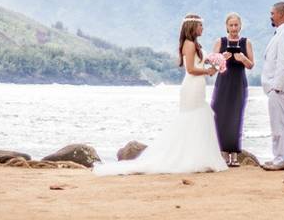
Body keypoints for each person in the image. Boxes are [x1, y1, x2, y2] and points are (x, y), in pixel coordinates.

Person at [94, 13, 228, 175]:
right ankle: (188, 157)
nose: (202, 28)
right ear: (193, 27)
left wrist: (218, 61)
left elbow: (201, 65)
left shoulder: (195, 44)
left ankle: (195, 155)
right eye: (200, 25)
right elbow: (191, 69)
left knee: (198, 118)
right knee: (192, 118)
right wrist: (208, 71)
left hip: (198, 85)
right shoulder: (189, 44)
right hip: (192, 86)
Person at [210, 12, 255, 167]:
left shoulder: (246, 42)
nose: (234, 28)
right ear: (226, 27)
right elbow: (212, 66)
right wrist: (222, 58)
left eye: (236, 25)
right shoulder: (220, 41)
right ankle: (222, 154)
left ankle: (234, 155)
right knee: (220, 117)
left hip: (238, 84)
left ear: (240, 26)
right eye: (231, 25)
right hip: (223, 83)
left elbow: (251, 65)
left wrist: (243, 58)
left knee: (236, 117)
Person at [260, 1, 284, 171]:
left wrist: (276, 86)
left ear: (281, 14)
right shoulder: (281, 33)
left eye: (272, 13)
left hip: (278, 88)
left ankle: (282, 159)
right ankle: (279, 157)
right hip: (275, 87)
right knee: (277, 124)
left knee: (280, 124)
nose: (271, 16)